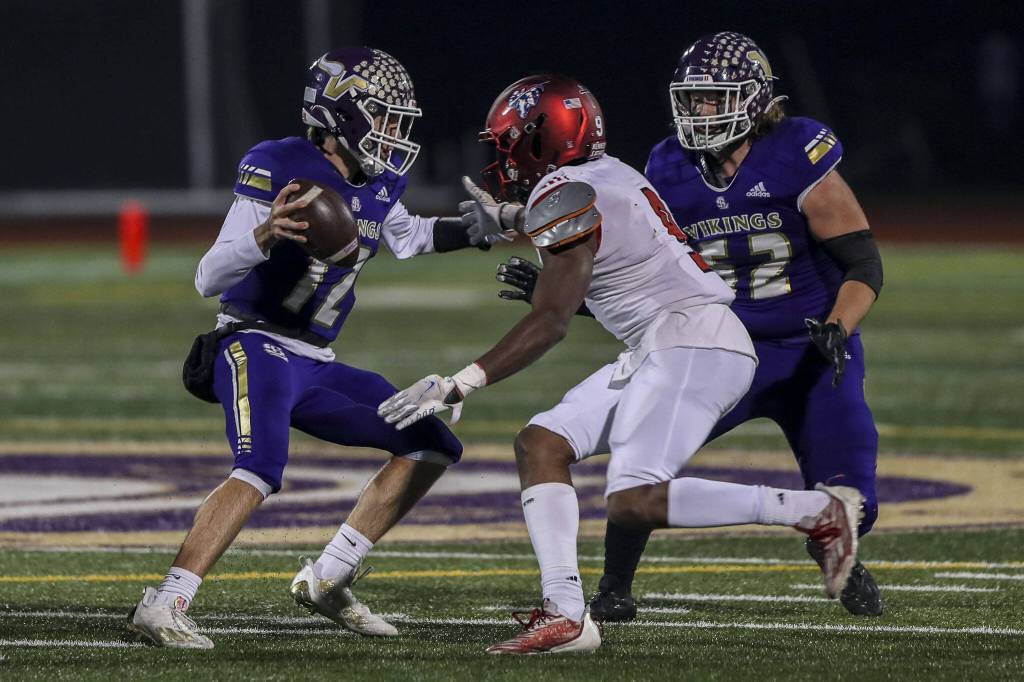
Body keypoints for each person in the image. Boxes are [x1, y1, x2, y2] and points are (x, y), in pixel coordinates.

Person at [379, 74, 865, 655]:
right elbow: (577, 216)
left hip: (694, 343)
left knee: (634, 501)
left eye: (509, 142)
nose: (502, 156)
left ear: (543, 137)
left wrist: (461, 382)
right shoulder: (603, 174)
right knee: (542, 443)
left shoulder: (566, 191)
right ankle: (567, 615)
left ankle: (816, 510)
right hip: (670, 341)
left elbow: (551, 319)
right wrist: (510, 218)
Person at [496, 32, 884, 621]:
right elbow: (654, 273)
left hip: (813, 350)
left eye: (714, 98)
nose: (699, 111)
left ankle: (833, 541)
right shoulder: (667, 166)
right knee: (643, 464)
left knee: (855, 502)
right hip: (719, 343)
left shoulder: (796, 150)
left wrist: (838, 325)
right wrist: (564, 297)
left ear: (755, 99)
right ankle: (615, 589)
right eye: (693, 97)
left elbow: (863, 263)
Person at [127, 47, 494, 649]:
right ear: (342, 115)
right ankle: (165, 603)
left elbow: (407, 236)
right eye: (385, 117)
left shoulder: (376, 183)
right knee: (261, 466)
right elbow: (206, 277)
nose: (396, 134)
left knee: (430, 443)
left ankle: (327, 578)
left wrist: (477, 231)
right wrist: (263, 235)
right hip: (253, 343)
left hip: (316, 360)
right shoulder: (280, 166)